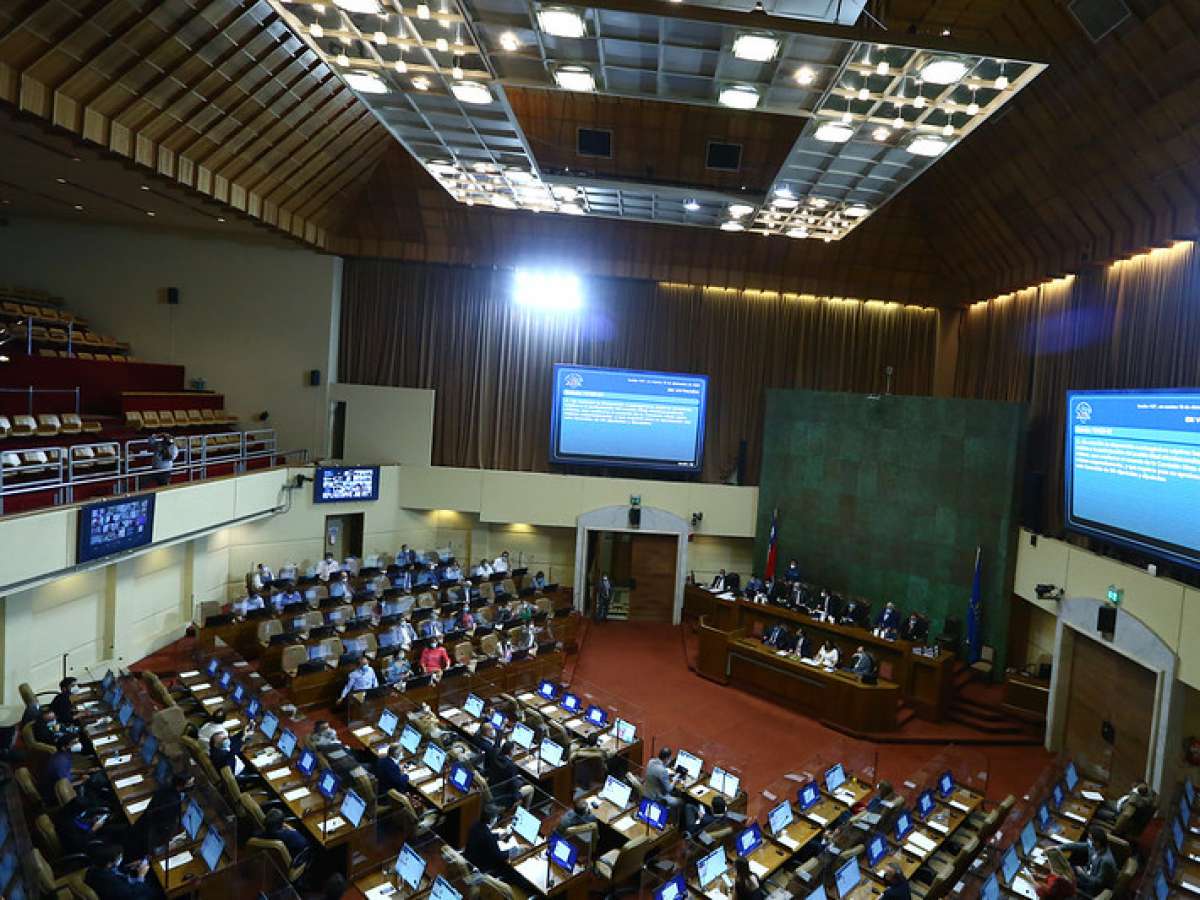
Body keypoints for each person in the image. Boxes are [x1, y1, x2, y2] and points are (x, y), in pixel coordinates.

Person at [85, 843, 155, 900]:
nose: (121, 859)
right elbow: (132, 893)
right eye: (118, 858)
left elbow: (115, 871)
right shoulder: (111, 883)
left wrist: (129, 867)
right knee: (153, 891)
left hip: (125, 887)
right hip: (131, 894)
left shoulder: (96, 867)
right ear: (109, 863)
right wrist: (141, 875)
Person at [1061, 827, 1117, 897]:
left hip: (1092, 887)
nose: (1088, 841)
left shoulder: (1106, 861)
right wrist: (1059, 847)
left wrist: (1082, 874)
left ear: (1097, 843)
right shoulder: (1095, 847)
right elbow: (1076, 846)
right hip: (1088, 872)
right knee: (1065, 867)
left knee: (1062, 879)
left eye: (1090, 839)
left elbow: (1098, 882)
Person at [466, 808, 516, 874]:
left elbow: (482, 837)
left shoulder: (476, 824)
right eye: (496, 817)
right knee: (509, 866)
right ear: (492, 819)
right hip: (482, 866)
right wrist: (514, 851)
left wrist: (498, 836)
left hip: (470, 858)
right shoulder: (488, 836)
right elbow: (499, 856)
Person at [42, 732, 84, 803]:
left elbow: (68, 770)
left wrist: (85, 771)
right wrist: (83, 781)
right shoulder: (61, 762)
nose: (77, 744)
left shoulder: (63, 755)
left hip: (61, 784)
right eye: (74, 743)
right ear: (64, 747)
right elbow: (64, 786)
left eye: (77, 742)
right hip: (56, 795)